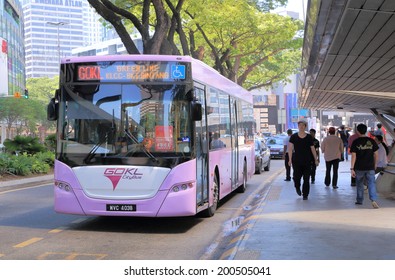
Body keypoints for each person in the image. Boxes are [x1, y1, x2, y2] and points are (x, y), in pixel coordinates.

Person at [287, 120, 319, 200]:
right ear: (298, 126)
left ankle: (305, 194)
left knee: (306, 178)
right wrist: (290, 159)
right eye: (300, 125)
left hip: (307, 161)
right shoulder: (293, 136)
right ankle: (297, 187)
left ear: (305, 127)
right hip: (296, 161)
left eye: (303, 125)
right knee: (296, 177)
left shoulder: (308, 137)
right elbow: (290, 148)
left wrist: (316, 159)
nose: (301, 127)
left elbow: (312, 148)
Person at [350, 123, 379, 209]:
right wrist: (375, 164)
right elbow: (376, 154)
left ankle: (359, 200)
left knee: (359, 184)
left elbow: (353, 156)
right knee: (371, 183)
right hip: (370, 167)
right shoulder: (372, 141)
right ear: (365, 131)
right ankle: (373, 199)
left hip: (359, 167)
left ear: (358, 131)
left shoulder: (356, 142)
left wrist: (352, 168)